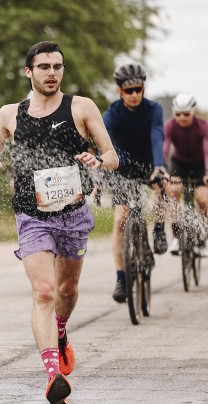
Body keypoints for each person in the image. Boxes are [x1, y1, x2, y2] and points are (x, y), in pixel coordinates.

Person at [0, 41, 118, 404]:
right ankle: (52, 375)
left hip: (73, 214)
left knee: (67, 291)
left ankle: (60, 331)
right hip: (31, 214)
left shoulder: (81, 106)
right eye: (43, 67)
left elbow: (112, 156)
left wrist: (98, 161)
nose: (52, 73)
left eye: (57, 66)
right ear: (29, 72)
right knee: (43, 292)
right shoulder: (11, 114)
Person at [103, 64, 167, 303]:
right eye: (128, 90)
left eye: (138, 89)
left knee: (162, 187)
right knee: (120, 220)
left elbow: (157, 135)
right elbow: (106, 141)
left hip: (150, 163)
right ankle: (121, 277)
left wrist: (159, 165)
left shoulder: (153, 109)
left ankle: (159, 229)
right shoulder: (112, 113)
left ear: (143, 88)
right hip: (121, 168)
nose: (134, 95)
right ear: (119, 91)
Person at [163, 93, 208, 255]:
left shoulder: (202, 125)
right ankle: (176, 237)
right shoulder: (170, 126)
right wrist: (164, 169)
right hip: (179, 163)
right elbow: (165, 148)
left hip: (200, 165)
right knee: (173, 191)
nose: (182, 117)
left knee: (203, 200)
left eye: (186, 114)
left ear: (193, 112)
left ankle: (203, 239)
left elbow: (207, 150)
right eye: (178, 114)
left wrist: (207, 172)